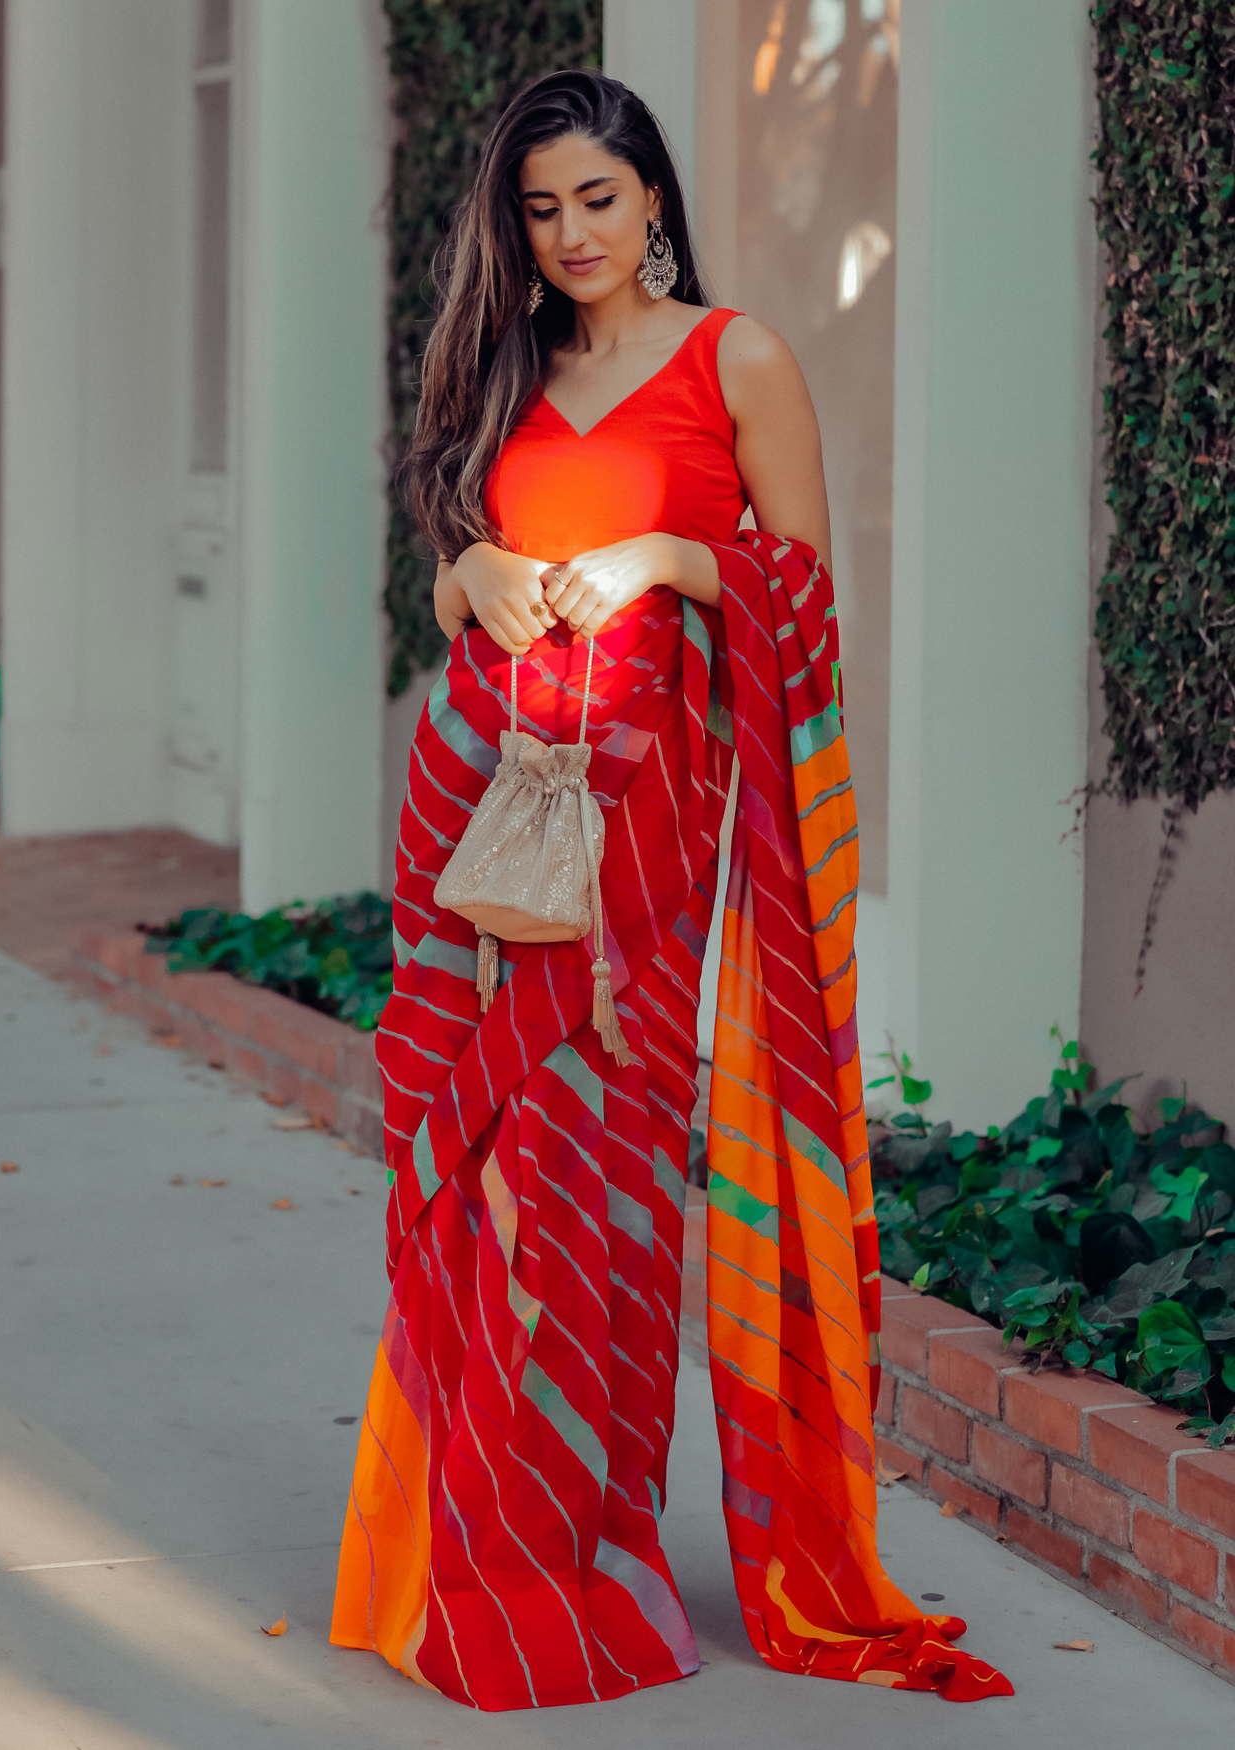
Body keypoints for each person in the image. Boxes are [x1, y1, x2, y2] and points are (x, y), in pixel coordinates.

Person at [330, 68, 1011, 1711]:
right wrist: (466, 568)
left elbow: (810, 602)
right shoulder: (507, 369)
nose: (571, 236)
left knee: (594, 1195)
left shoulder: (737, 359)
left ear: (654, 198)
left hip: (640, 862)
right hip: (491, 830)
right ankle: (466, 1551)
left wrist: (676, 562)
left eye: (599, 199)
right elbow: (459, 575)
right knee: (479, 1193)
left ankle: (577, 1558)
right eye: (542, 208)